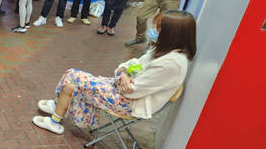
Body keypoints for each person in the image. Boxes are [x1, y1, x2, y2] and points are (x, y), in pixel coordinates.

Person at [33, 10, 196, 135]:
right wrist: (124, 74)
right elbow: (134, 64)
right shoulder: (163, 50)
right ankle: (57, 104)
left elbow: (132, 91)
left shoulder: (171, 64)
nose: (153, 30)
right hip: (121, 89)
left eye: (158, 28)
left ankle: (55, 121)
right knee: (72, 73)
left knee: (71, 86)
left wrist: (123, 74)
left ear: (171, 34)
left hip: (129, 103)